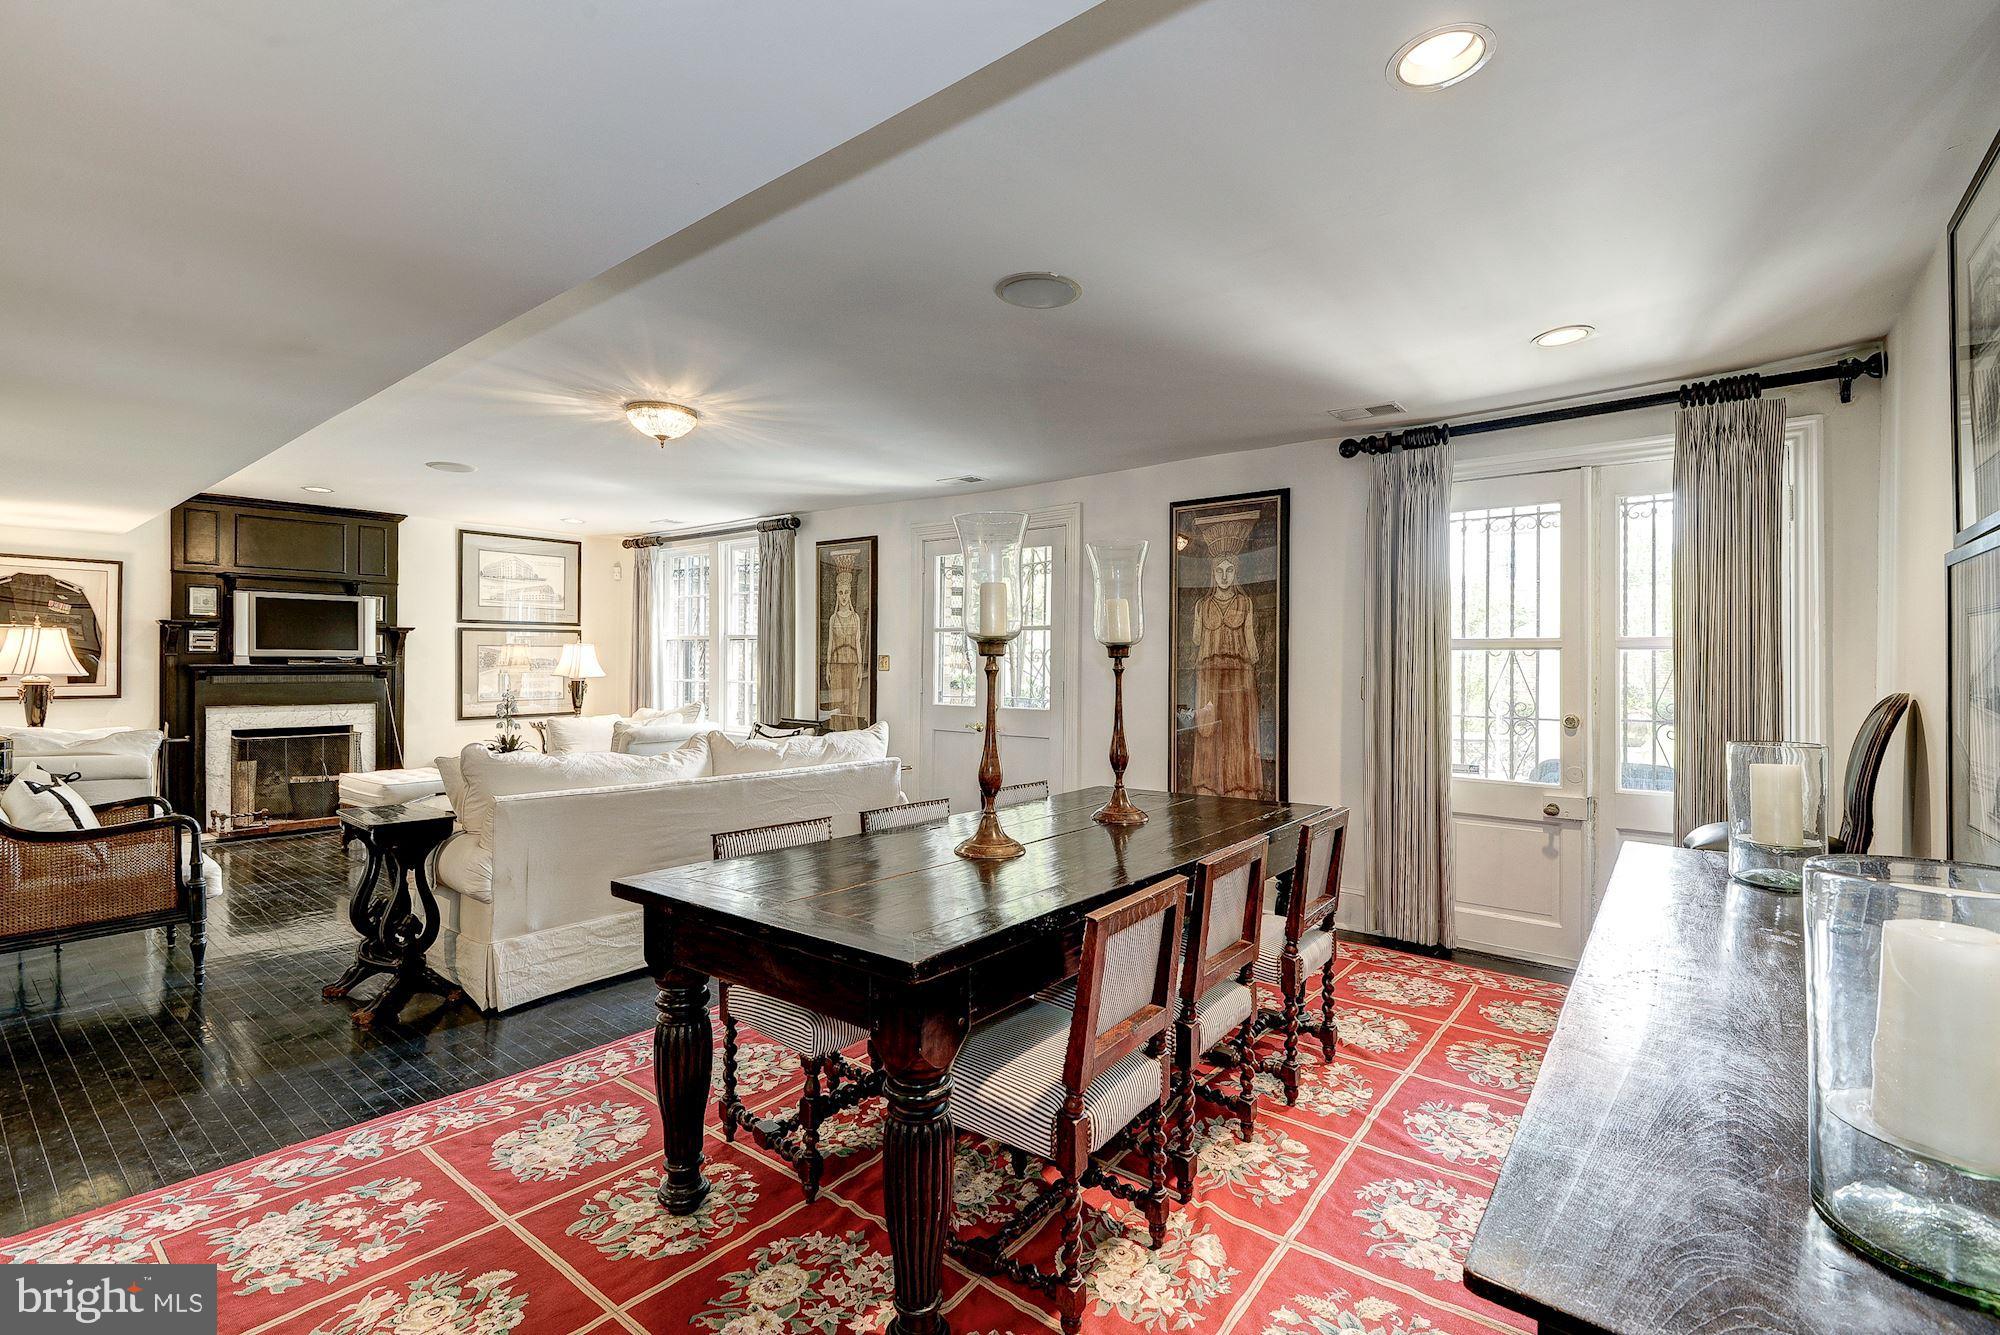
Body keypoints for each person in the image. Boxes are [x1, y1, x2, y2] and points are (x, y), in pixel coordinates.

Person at [1190, 548, 1262, 798]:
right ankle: (1208, 785)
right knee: (1207, 730)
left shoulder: (1244, 602)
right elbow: (1196, 638)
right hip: (1209, 675)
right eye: (1219, 570)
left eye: (1229, 570)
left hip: (1239, 676)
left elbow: (1252, 648)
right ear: (1212, 573)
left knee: (1238, 731)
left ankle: (1238, 787)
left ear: (1236, 573)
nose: (1224, 576)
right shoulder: (1203, 605)